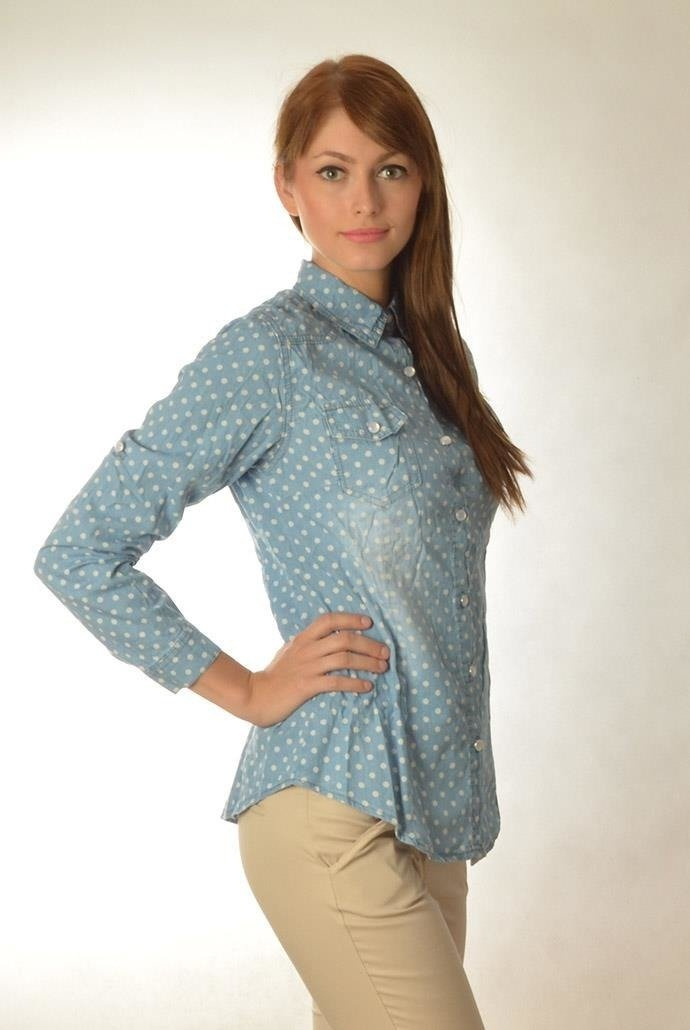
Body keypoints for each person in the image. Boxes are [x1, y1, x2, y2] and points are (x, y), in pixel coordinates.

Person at [33, 53, 533, 1030]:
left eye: (391, 169)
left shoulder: (434, 361)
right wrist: (249, 690)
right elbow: (80, 552)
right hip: (332, 808)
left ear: (423, 184)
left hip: (433, 818)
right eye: (334, 171)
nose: (365, 200)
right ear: (288, 187)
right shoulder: (268, 353)